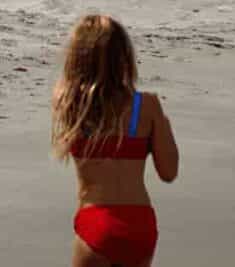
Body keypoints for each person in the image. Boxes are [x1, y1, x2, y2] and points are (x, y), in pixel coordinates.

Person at [52, 15, 179, 267]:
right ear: (124, 57)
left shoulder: (69, 102)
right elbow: (168, 172)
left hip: (97, 220)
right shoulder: (147, 106)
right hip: (139, 225)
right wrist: (163, 126)